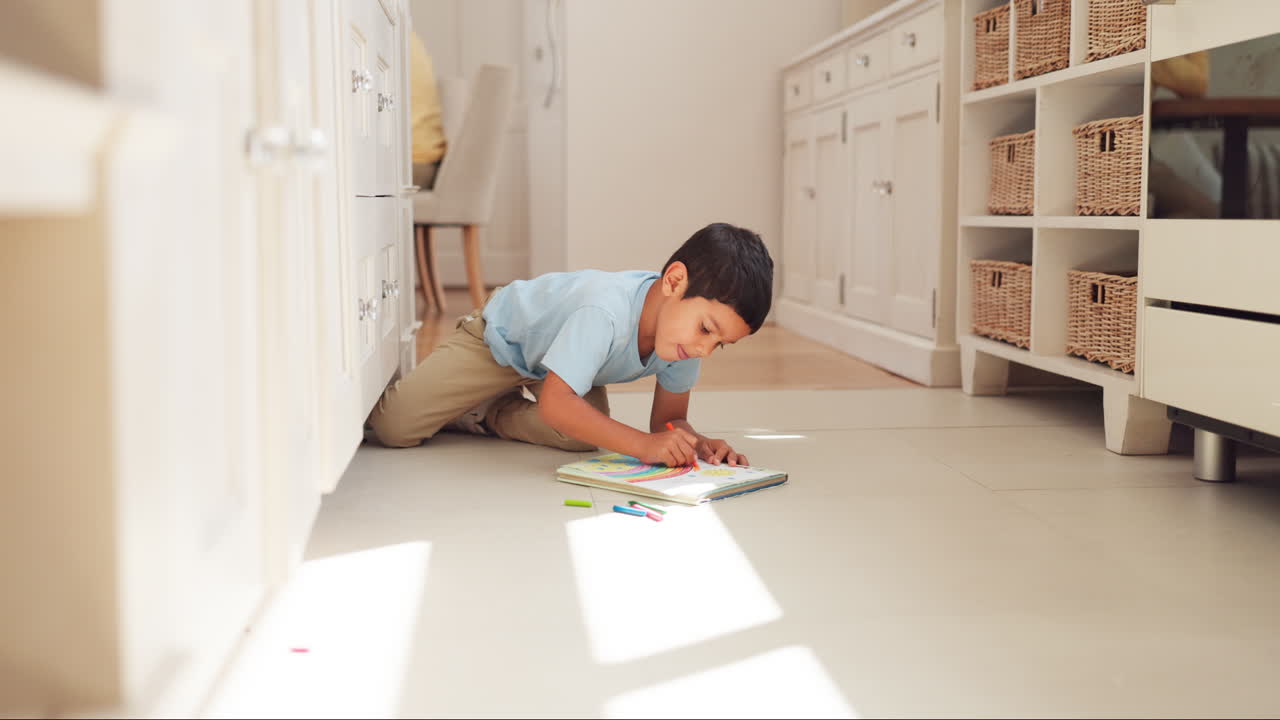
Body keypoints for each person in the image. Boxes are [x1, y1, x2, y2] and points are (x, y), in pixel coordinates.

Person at [367, 222, 773, 468]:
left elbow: (667, 422)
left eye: (720, 344)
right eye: (706, 329)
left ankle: (484, 413)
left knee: (579, 436)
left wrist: (699, 445)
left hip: (563, 368)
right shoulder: (606, 312)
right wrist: (644, 447)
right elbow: (560, 406)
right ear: (673, 282)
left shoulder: (683, 341)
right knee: (393, 428)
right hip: (503, 340)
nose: (705, 349)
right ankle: (480, 391)